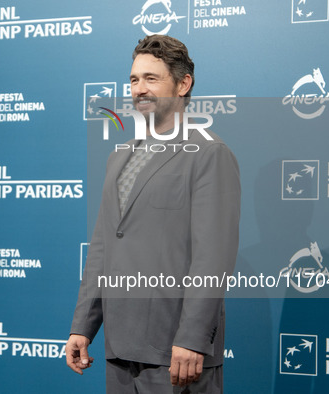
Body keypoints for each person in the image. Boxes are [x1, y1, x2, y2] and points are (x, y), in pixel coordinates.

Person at [67, 35, 240, 393]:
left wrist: (193, 338)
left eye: (151, 79)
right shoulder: (120, 156)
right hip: (119, 350)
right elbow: (102, 247)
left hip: (175, 353)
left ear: (183, 84)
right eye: (133, 80)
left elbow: (213, 257)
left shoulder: (209, 153)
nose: (139, 89)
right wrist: (82, 326)